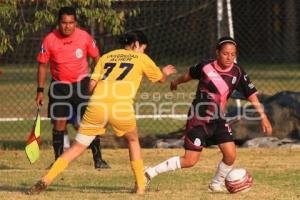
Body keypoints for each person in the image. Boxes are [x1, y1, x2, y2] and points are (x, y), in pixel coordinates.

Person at [27, 30, 177, 195]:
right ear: (136, 44)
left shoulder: (106, 57)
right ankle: (140, 187)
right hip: (120, 107)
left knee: (77, 147)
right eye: (143, 48)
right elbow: (160, 79)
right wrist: (165, 72)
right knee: (133, 141)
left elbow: (90, 86)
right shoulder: (141, 58)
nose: (143, 51)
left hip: (96, 105)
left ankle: (47, 179)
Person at [144, 36, 273, 192]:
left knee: (230, 155)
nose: (229, 57)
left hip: (218, 119)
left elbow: (251, 94)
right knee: (190, 161)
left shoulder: (237, 72)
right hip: (198, 119)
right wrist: (175, 82)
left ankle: (215, 184)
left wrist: (263, 116)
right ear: (217, 52)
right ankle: (150, 172)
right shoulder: (205, 66)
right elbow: (188, 75)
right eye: (226, 53)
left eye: (233, 54)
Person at [35, 6, 110, 169]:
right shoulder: (49, 39)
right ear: (58, 23)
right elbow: (42, 66)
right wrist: (40, 90)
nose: (67, 26)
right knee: (59, 124)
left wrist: (99, 80)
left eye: (70, 23)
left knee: (89, 123)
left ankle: (98, 160)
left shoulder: (84, 37)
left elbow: (98, 58)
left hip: (82, 86)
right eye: (64, 23)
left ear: (75, 22)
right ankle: (58, 162)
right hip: (59, 87)